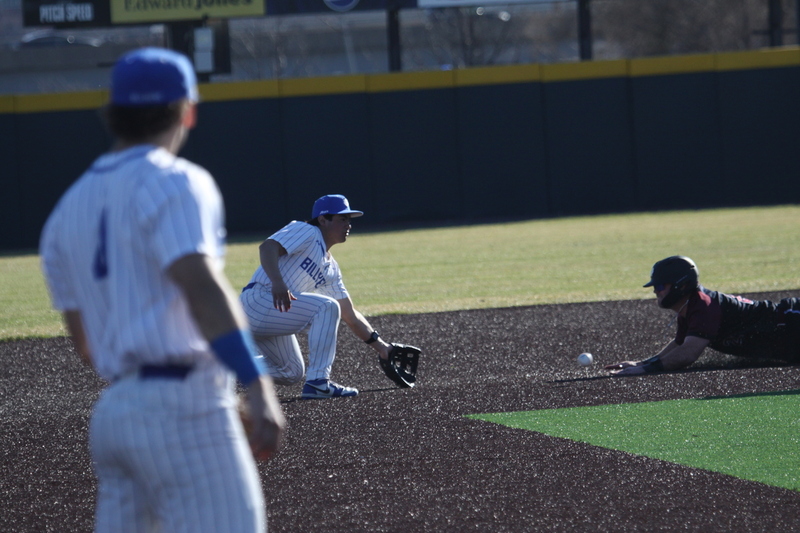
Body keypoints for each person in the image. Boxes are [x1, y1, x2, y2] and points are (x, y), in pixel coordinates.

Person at [39, 47, 285, 533]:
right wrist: (255, 383)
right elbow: (201, 287)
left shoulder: (65, 212)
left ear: (113, 113)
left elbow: (86, 346)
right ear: (187, 111)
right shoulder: (175, 181)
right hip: (185, 409)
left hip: (116, 415)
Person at [239, 194, 399, 399]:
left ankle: (225, 364)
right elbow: (267, 247)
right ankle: (318, 383)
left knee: (291, 372)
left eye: (349, 220)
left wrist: (383, 347)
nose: (348, 225)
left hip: (276, 311)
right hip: (257, 301)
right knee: (326, 307)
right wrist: (278, 282)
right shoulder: (307, 231)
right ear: (323, 219)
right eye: (342, 219)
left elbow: (349, 314)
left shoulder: (331, 268)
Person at [604, 255, 800, 376]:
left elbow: (687, 354)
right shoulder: (690, 307)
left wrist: (647, 369)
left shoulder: (703, 306)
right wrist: (642, 363)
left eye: (661, 285)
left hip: (793, 321)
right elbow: (680, 344)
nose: (656, 291)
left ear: (681, 285)